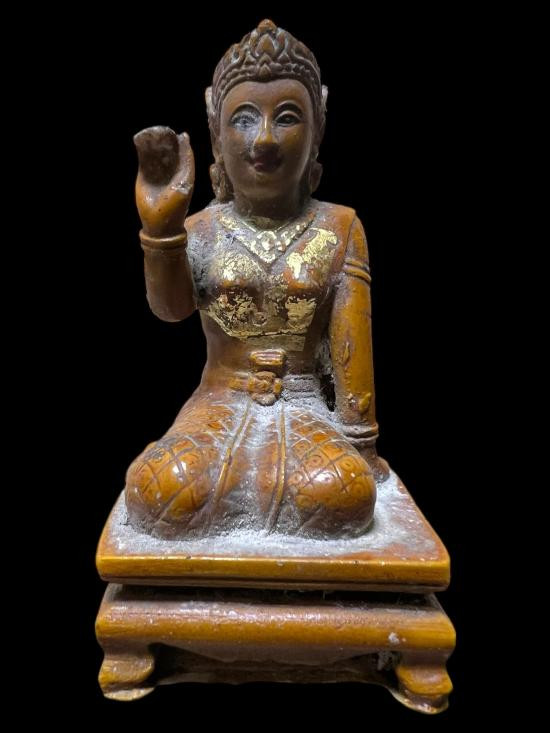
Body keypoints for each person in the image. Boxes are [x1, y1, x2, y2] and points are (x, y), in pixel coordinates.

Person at [125, 19, 389, 540]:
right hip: (217, 400)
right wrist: (162, 230)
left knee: (342, 496)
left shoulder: (340, 228)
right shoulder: (203, 228)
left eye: (286, 118)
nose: (264, 138)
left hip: (304, 404)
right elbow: (171, 309)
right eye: (243, 119)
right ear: (216, 138)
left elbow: (351, 351)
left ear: (316, 133)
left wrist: (362, 446)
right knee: (162, 492)